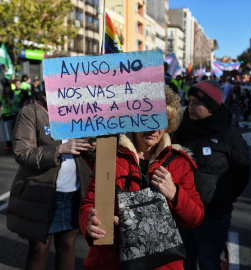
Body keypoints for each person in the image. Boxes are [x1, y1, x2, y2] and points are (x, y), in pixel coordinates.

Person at [79, 85, 205, 270]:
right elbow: (89, 203)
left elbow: (195, 218)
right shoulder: (108, 155)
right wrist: (90, 226)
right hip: (112, 259)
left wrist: (175, 194)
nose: (153, 127)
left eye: (160, 119)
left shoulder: (179, 162)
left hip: (161, 263)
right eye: (146, 119)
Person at [7, 50, 96, 270]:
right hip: (43, 193)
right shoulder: (32, 112)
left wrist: (92, 148)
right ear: (49, 77)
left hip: (74, 192)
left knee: (68, 246)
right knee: (39, 248)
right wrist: (59, 149)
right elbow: (22, 152)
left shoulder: (82, 111)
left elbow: (91, 154)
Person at [171, 80, 251, 270]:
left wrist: (223, 198)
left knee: (209, 262)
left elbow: (242, 174)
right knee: (183, 261)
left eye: (197, 103)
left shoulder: (230, 138)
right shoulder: (179, 132)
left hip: (213, 216)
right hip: (183, 211)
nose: (190, 106)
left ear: (212, 108)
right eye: (189, 101)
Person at [0, 81, 19, 150]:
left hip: (13, 114)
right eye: (6, 88)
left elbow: (18, 102)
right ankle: (8, 144)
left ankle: (15, 144)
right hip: (5, 115)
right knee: (6, 131)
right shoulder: (2, 96)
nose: (7, 89)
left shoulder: (13, 95)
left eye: (8, 87)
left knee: (14, 130)